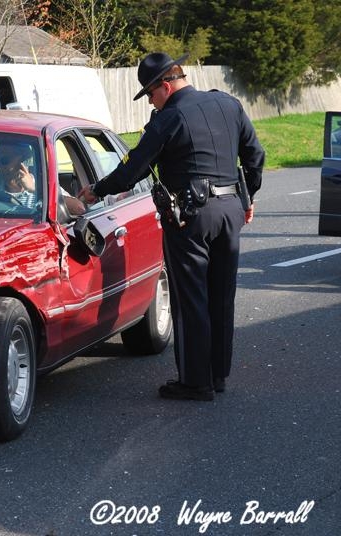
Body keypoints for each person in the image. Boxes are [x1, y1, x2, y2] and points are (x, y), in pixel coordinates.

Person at [78, 52, 265, 401]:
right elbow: (255, 156)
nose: (151, 101)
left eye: (150, 94)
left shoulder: (169, 118)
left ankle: (195, 383)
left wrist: (96, 191)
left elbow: (132, 170)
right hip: (229, 211)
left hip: (190, 216)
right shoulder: (228, 104)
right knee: (221, 296)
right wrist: (247, 197)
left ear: (165, 86)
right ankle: (217, 375)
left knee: (191, 298)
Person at [0, 141, 38, 208]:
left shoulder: (46, 190)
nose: (0, 167)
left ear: (24, 161)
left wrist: (33, 190)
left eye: (5, 160)